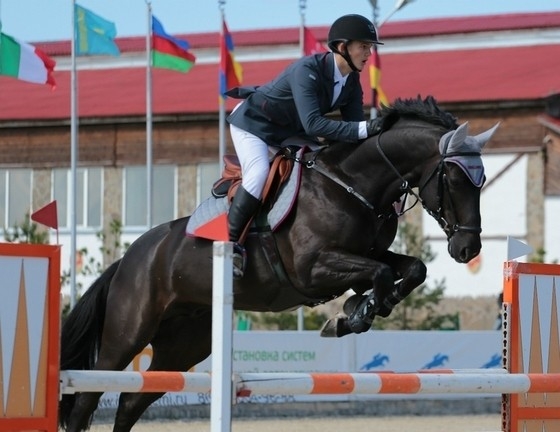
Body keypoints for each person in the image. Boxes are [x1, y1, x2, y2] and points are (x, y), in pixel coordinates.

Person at [225, 14, 384, 278]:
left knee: (322, 164)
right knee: (258, 173)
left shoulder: (351, 81)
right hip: (254, 124)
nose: (369, 52)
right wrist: (367, 128)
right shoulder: (307, 70)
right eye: (364, 46)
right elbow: (314, 124)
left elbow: (355, 130)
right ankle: (231, 244)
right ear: (343, 47)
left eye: (370, 46)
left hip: (289, 131)